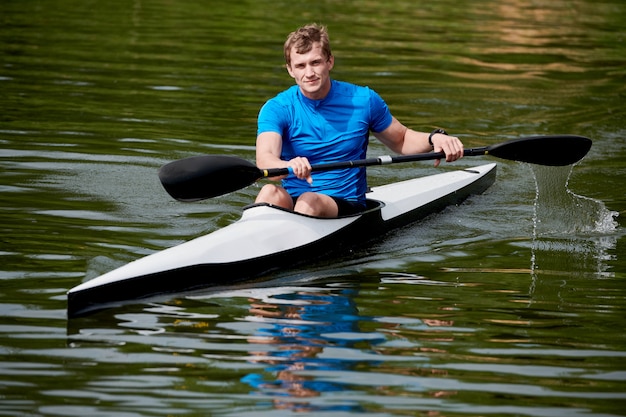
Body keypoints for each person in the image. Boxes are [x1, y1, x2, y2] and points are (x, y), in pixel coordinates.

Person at [254, 23, 464, 218]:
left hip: (346, 204)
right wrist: (288, 164)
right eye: (300, 66)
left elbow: (401, 140)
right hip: (296, 201)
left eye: (315, 62)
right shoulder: (277, 108)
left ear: (330, 61)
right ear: (290, 70)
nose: (309, 73)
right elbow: (265, 159)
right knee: (270, 192)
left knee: (309, 200)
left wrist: (434, 138)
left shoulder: (363, 100)